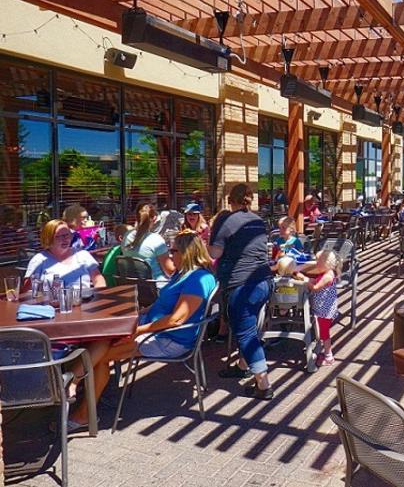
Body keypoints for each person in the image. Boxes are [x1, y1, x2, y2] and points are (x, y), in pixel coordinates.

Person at [69, 230, 217, 430]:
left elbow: (176, 319)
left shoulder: (198, 279)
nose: (170, 255)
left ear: (187, 252)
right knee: (101, 342)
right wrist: (135, 316)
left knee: (99, 357)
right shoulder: (183, 274)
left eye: (173, 250)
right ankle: (81, 392)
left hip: (168, 339)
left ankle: (81, 405)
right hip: (154, 331)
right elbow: (159, 306)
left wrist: (139, 330)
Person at [210, 183, 274, 400]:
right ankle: (242, 365)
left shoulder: (226, 220)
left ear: (230, 199)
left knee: (246, 334)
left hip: (242, 284)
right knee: (250, 327)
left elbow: (215, 251)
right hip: (264, 281)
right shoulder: (257, 220)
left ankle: (263, 385)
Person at [24, 219, 107, 292]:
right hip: (53, 307)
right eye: (58, 236)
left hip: (84, 303)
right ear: (48, 239)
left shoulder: (83, 255)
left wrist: (99, 296)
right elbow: (27, 291)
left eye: (67, 235)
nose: (65, 239)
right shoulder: (39, 260)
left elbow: (98, 279)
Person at [121, 203, 175, 287]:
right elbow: (170, 272)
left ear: (136, 217)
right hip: (158, 288)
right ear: (154, 218)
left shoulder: (126, 236)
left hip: (133, 289)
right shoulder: (156, 240)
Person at [303, 249, 341, 367]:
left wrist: (305, 282)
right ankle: (323, 351)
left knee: (324, 333)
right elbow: (314, 281)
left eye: (318, 261)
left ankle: (329, 356)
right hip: (321, 308)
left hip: (325, 310)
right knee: (320, 331)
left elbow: (315, 288)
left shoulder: (328, 276)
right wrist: (304, 277)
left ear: (326, 263)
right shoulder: (324, 274)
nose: (316, 263)